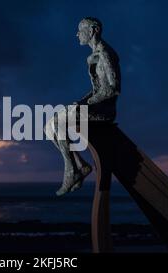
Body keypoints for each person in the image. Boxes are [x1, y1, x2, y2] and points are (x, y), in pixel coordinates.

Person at [45, 17, 121, 196]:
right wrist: (81, 102)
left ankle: (72, 171)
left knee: (58, 122)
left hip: (105, 111)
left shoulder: (105, 54)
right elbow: (97, 90)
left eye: (81, 29)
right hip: (94, 107)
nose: (77, 34)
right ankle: (80, 166)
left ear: (93, 30)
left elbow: (113, 89)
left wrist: (86, 104)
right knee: (48, 127)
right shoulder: (92, 57)